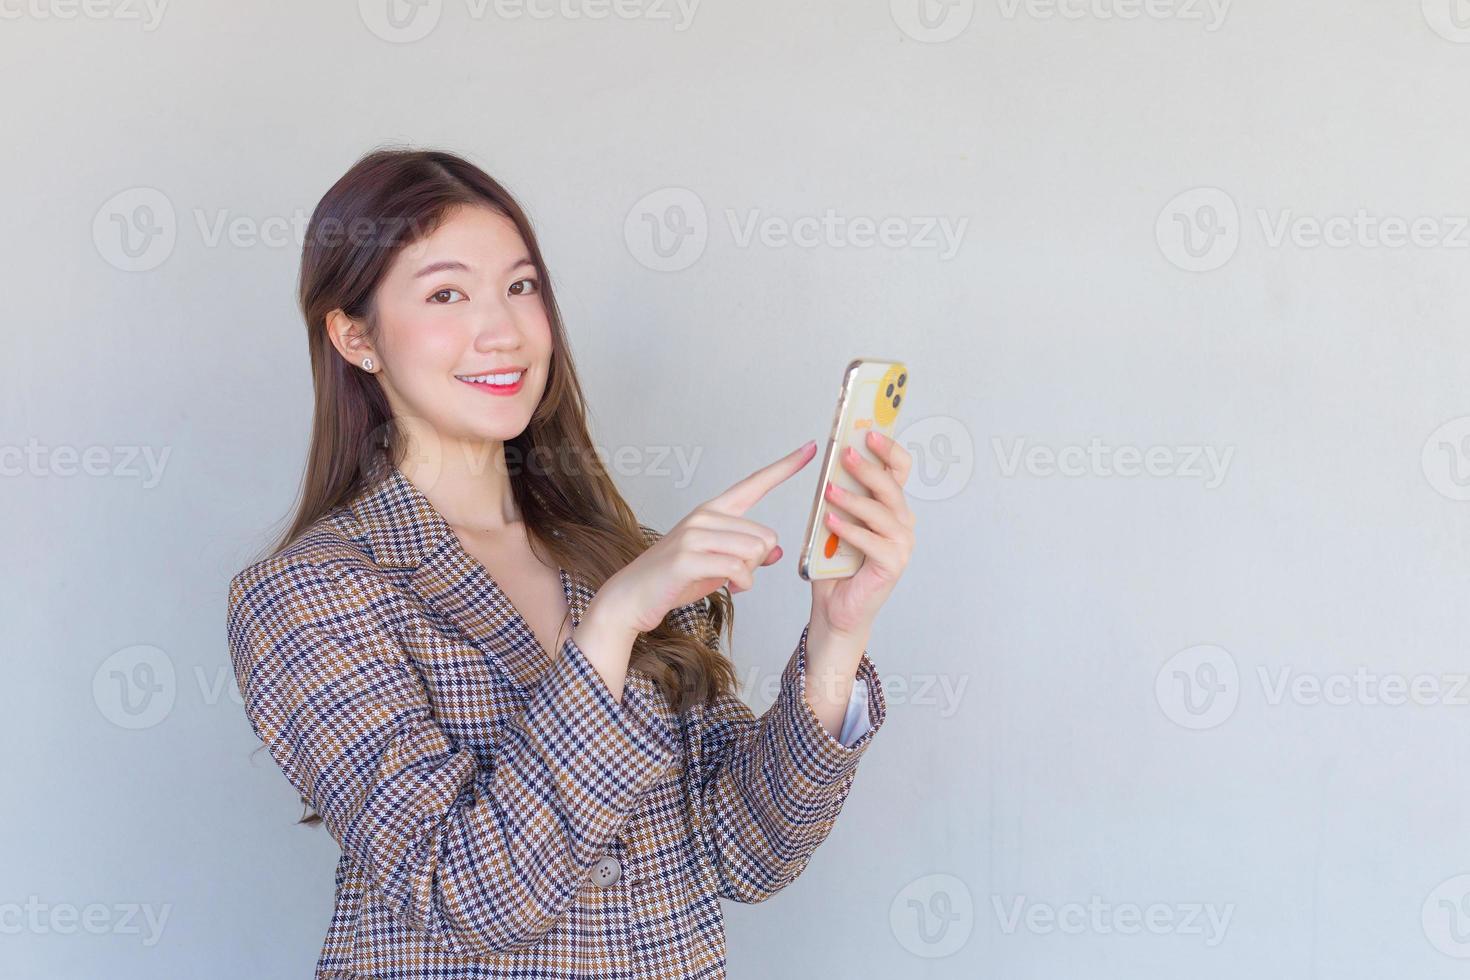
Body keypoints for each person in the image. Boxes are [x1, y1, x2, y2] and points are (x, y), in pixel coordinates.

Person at [224, 147, 917, 978]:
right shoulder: (310, 591)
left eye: (521, 287)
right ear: (355, 335)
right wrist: (614, 625)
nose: (504, 331)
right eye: (447, 293)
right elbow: (467, 898)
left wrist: (837, 634)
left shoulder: (613, 555)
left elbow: (746, 855)